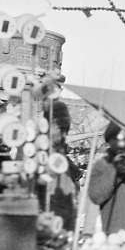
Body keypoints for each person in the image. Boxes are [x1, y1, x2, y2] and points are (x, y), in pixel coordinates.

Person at [37, 99, 82, 232]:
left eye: (66, 130)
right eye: (60, 128)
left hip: (66, 227)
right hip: (45, 226)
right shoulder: (37, 153)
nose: (64, 135)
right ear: (47, 125)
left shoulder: (65, 161)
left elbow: (75, 191)